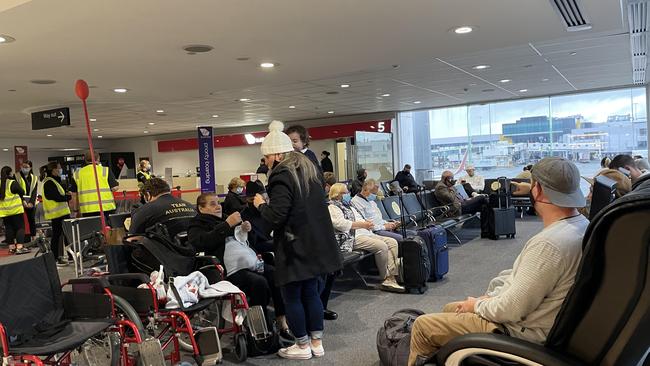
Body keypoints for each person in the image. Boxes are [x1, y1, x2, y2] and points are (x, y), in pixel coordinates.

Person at [408, 157, 589, 365]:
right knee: (452, 307)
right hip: (547, 323)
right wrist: (490, 298)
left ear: (537, 190)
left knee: (422, 326)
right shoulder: (582, 225)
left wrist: (478, 304)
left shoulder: (549, 244)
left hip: (522, 333)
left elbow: (512, 308)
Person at [252, 120, 341, 360]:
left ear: (277, 154)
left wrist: (261, 206)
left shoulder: (282, 173)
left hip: (295, 245)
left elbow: (277, 215)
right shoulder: (309, 168)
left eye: (267, 158)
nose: (267, 163)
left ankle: (301, 345)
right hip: (316, 243)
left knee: (291, 296)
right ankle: (316, 342)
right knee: (311, 292)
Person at [187, 192, 292, 339]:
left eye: (218, 203)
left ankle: (281, 319)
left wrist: (247, 231)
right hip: (224, 269)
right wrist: (227, 225)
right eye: (212, 204)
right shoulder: (197, 224)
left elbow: (251, 243)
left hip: (247, 261)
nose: (218, 206)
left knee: (275, 274)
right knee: (258, 282)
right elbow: (202, 242)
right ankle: (260, 326)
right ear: (201, 208)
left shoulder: (228, 218)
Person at [328, 182, 404, 292]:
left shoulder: (349, 205)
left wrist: (366, 223)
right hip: (351, 237)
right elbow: (340, 224)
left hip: (364, 233)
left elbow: (359, 218)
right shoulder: (333, 207)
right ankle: (386, 279)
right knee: (381, 246)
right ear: (337, 194)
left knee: (392, 242)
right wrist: (361, 224)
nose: (348, 194)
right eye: (345, 192)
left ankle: (392, 276)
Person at [128, 178, 196, 238]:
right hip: (193, 249)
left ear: (148, 194)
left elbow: (131, 238)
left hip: (163, 251)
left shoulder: (144, 210)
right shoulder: (190, 206)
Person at [70, 150, 118, 222]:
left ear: (85, 160)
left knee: (92, 231)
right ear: (98, 158)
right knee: (108, 230)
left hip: (87, 210)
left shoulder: (77, 174)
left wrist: (76, 210)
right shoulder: (105, 170)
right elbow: (114, 188)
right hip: (106, 208)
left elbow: (74, 195)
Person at [41, 161, 72, 266]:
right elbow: (55, 197)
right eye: (59, 168)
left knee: (63, 236)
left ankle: (64, 256)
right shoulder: (49, 182)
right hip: (58, 214)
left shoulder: (54, 181)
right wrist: (67, 197)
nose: (60, 170)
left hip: (60, 213)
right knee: (59, 236)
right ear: (53, 170)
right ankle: (56, 257)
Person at [0, 166, 29, 254]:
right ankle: (20, 247)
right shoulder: (12, 183)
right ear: (9, 173)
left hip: (5, 212)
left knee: (9, 229)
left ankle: (11, 247)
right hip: (15, 210)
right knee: (20, 228)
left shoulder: (0, 183)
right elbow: (22, 191)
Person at [241, 180, 274, 254]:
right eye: (252, 200)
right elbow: (252, 243)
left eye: (259, 200)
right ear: (246, 200)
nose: (255, 203)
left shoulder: (268, 211)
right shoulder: (244, 216)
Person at [16, 160, 37, 241]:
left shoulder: (34, 177)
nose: (24, 168)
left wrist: (31, 202)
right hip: (20, 202)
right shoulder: (16, 176)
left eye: (26, 167)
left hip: (31, 202)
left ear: (30, 168)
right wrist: (23, 201)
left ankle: (34, 237)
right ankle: (24, 238)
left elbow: (34, 191)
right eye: (23, 167)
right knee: (22, 221)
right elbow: (17, 190)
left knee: (31, 219)